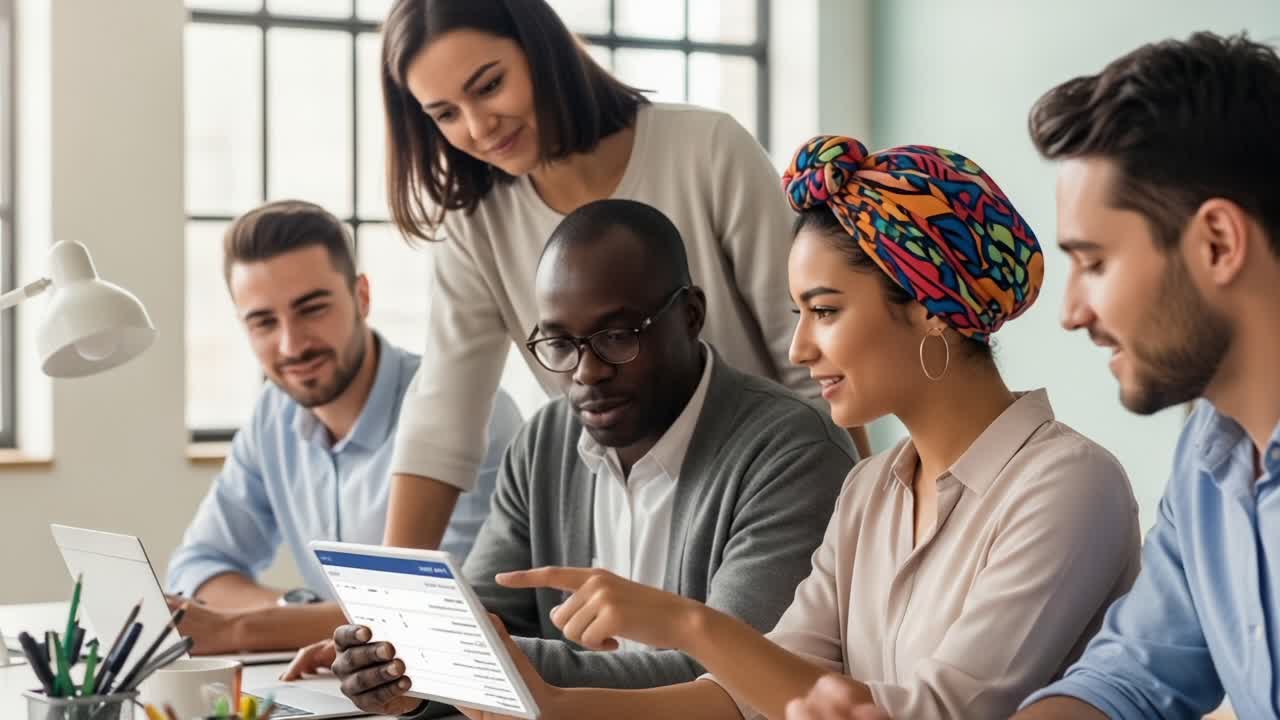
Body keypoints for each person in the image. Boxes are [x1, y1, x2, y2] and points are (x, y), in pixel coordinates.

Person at [436, 136, 1143, 720]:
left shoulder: (1068, 487)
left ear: (931, 309)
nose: (799, 349)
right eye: (797, 312)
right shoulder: (870, 488)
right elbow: (755, 693)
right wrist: (549, 703)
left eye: (826, 311)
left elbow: (940, 712)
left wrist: (687, 625)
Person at [317, 198, 858, 717]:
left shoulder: (792, 451)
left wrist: (445, 660)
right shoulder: (545, 441)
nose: (586, 372)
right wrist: (401, 676)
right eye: (560, 344)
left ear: (691, 315)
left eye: (618, 336)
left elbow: (735, 675)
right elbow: (484, 616)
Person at [373, 0, 871, 553]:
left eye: (489, 86)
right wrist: (383, 604)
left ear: (542, 51)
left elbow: (810, 356)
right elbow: (444, 414)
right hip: (625, 515)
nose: (477, 126)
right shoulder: (477, 225)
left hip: (770, 497)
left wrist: (862, 543)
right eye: (444, 114)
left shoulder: (707, 150)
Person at [1009, 32, 1280, 720]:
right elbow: (1128, 682)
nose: (1071, 312)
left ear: (1218, 243)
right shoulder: (1208, 460)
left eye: (1094, 262)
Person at [165, 200, 522, 654]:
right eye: (263, 322)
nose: (291, 344)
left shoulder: (468, 413)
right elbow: (199, 565)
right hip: (348, 680)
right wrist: (295, 610)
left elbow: (439, 609)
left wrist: (242, 629)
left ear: (362, 297)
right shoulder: (272, 416)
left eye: (312, 309)